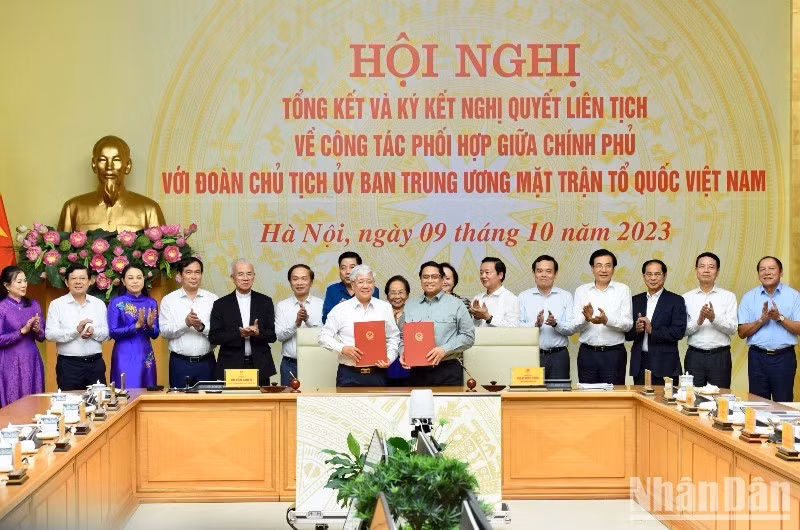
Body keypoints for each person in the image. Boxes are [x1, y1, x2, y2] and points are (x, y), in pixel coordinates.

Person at [57, 135, 166, 232]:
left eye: (116, 160)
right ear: (94, 165)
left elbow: (160, 252)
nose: (109, 167)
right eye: (102, 160)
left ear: (128, 166)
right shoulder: (72, 209)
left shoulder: (150, 210)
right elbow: (61, 252)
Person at [319, 264, 399, 386]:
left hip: (378, 373)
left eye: (369, 281)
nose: (366, 286)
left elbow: (393, 337)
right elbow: (323, 337)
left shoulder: (385, 308)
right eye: (361, 281)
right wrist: (342, 348)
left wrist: (389, 358)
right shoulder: (339, 310)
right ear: (353, 285)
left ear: (374, 284)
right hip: (348, 374)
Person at [400, 261, 475, 386]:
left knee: (449, 406)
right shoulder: (409, 306)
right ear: (420, 280)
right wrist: (402, 351)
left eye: (434, 277)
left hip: (448, 370)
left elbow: (469, 336)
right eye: (425, 277)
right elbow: (402, 337)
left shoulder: (457, 304)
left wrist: (444, 349)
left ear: (442, 279)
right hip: (417, 372)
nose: (429, 280)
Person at [738, 256, 800, 402]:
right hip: (757, 357)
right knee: (758, 404)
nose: (767, 272)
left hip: (784, 358)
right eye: (762, 269)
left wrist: (779, 318)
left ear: (781, 272)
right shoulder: (749, 297)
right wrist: (761, 320)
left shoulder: (794, 296)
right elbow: (741, 333)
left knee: (783, 403)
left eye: (771, 268)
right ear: (759, 274)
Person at [209, 259, 277, 386]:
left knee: (261, 405)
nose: (245, 278)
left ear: (254, 276)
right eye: (240, 274)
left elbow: (272, 336)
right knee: (233, 405)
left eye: (249, 274)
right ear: (232, 278)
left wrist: (257, 333)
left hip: (260, 364)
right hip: (231, 364)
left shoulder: (265, 301)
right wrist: (239, 334)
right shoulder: (221, 304)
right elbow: (214, 337)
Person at [573, 249, 633, 385]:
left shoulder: (623, 290)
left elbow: (628, 324)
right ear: (592, 269)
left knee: (614, 398)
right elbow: (574, 325)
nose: (603, 270)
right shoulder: (581, 291)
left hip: (614, 354)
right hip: (587, 353)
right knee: (587, 398)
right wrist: (586, 319)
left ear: (613, 269)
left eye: (608, 265)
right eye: (599, 265)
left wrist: (607, 320)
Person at [46, 264, 109, 390]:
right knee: (70, 404)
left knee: (99, 404)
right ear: (66, 282)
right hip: (69, 365)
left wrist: (93, 332)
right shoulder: (57, 305)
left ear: (90, 281)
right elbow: (49, 334)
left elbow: (108, 334)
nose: (78, 282)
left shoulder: (99, 304)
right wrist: (76, 331)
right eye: (74, 278)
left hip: (95, 364)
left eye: (82, 278)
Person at [159, 257, 218, 388]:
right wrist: (185, 323)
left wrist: (201, 327)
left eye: (197, 272)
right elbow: (164, 332)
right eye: (189, 272)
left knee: (209, 405)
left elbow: (218, 331)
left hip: (207, 363)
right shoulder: (169, 300)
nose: (194, 277)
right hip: (180, 363)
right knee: (180, 406)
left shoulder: (212, 299)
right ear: (180, 275)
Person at [625, 260, 686, 386]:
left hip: (665, 364)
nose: (653, 278)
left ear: (665, 276)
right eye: (649, 274)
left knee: (665, 403)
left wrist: (652, 330)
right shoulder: (635, 300)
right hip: (640, 363)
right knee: (640, 402)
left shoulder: (676, 300)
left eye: (657, 274)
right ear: (644, 276)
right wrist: (636, 330)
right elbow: (626, 334)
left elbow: (678, 332)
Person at [682, 252, 738, 388]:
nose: (706, 270)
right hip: (694, 356)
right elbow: (681, 331)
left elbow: (732, 329)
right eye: (702, 266)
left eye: (711, 267)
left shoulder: (728, 296)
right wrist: (699, 321)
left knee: (721, 399)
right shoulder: (686, 298)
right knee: (691, 399)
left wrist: (714, 318)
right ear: (696, 270)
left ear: (717, 272)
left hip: (720, 356)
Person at [518, 255, 575, 380]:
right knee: (530, 396)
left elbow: (572, 329)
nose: (544, 275)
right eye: (539, 271)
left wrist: (556, 324)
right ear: (534, 274)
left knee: (559, 396)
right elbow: (517, 327)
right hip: (530, 354)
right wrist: (535, 325)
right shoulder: (523, 297)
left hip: (559, 356)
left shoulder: (566, 296)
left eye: (549, 271)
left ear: (555, 274)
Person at [108, 264, 160, 388]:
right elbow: (113, 332)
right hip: (124, 355)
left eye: (139, 277)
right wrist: (136, 326)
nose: (135, 281)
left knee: (146, 392)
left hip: (145, 354)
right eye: (130, 278)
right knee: (125, 392)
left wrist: (151, 326)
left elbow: (156, 334)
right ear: (123, 281)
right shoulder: (116, 303)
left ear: (143, 280)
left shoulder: (151, 302)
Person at [0, 266, 45, 406]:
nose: (24, 285)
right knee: (13, 403)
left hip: (32, 359)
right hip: (10, 361)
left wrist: (37, 330)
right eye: (19, 281)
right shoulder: (2, 307)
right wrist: (21, 331)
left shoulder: (33, 304)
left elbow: (42, 337)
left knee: (34, 403)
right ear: (6, 285)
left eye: (25, 281)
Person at [274, 264, 322, 385]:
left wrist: (307, 320)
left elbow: (324, 335)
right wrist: (296, 324)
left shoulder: (322, 304)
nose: (299, 283)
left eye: (304, 278)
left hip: (316, 363)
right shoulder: (282, 306)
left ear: (311, 282)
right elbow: (279, 336)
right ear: (290, 283)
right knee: (288, 402)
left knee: (316, 402)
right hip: (289, 365)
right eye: (295, 279)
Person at [321, 251, 380, 324]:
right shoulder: (332, 290)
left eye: (352, 267)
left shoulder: (370, 289)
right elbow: (326, 319)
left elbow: (374, 317)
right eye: (343, 268)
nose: (348, 272)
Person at [469, 257, 519, 327]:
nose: (483, 276)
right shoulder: (478, 298)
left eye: (487, 272)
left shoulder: (510, 298)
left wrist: (489, 318)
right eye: (481, 272)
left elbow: (513, 327)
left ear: (500, 275)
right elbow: (470, 328)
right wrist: (477, 318)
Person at [384, 275, 411, 385]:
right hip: (386, 364)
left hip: (408, 364)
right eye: (393, 292)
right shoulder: (380, 313)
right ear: (387, 295)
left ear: (407, 294)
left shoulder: (413, 313)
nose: (397, 296)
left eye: (401, 292)